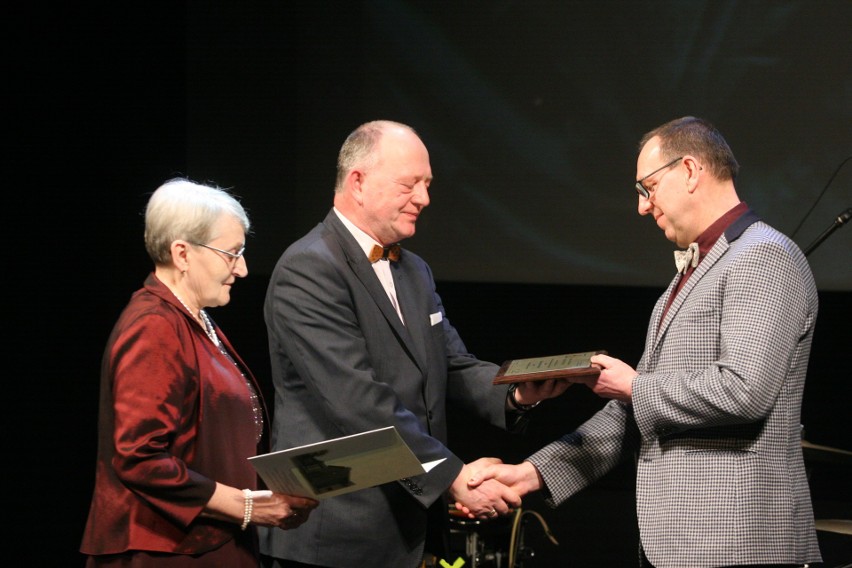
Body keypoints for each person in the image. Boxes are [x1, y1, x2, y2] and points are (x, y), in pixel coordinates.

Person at [466, 116, 822, 568]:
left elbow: (743, 390)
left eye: (647, 188)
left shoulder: (762, 257)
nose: (642, 207)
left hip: (738, 544)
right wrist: (528, 475)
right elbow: (634, 415)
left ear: (691, 170)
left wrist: (635, 386)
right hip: (687, 547)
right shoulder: (693, 275)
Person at [259, 120, 569, 568]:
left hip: (408, 530)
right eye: (410, 184)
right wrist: (453, 476)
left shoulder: (415, 270)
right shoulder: (308, 269)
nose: (424, 199)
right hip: (334, 536)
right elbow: (358, 402)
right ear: (358, 183)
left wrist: (517, 392)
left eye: (427, 185)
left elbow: (453, 365)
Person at [81, 178, 318, 567]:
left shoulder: (192, 318)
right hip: (166, 551)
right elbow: (139, 458)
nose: (242, 269)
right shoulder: (154, 326)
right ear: (182, 253)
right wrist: (246, 507)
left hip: (208, 544)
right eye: (232, 253)